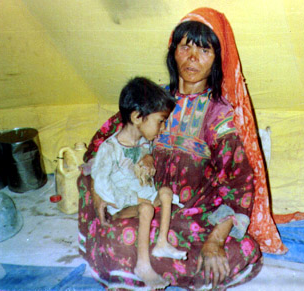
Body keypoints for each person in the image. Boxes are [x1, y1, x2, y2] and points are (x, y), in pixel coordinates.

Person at [78, 7, 286, 290]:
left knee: (242, 249)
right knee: (100, 198)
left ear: (217, 61)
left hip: (195, 215)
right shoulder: (152, 99)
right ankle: (139, 258)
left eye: (204, 50)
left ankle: (137, 262)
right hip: (141, 203)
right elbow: (103, 143)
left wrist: (214, 241)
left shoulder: (219, 115)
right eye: (185, 46)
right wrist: (98, 194)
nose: (191, 58)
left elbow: (237, 185)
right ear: (172, 51)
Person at [90, 77, 186, 289]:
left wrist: (148, 157)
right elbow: (100, 181)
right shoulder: (110, 149)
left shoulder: (142, 141)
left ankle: (162, 243)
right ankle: (143, 265)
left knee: (166, 192)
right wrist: (122, 200)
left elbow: (144, 151)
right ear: (137, 117)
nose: (162, 128)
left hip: (142, 194)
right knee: (145, 209)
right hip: (122, 204)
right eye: (160, 121)